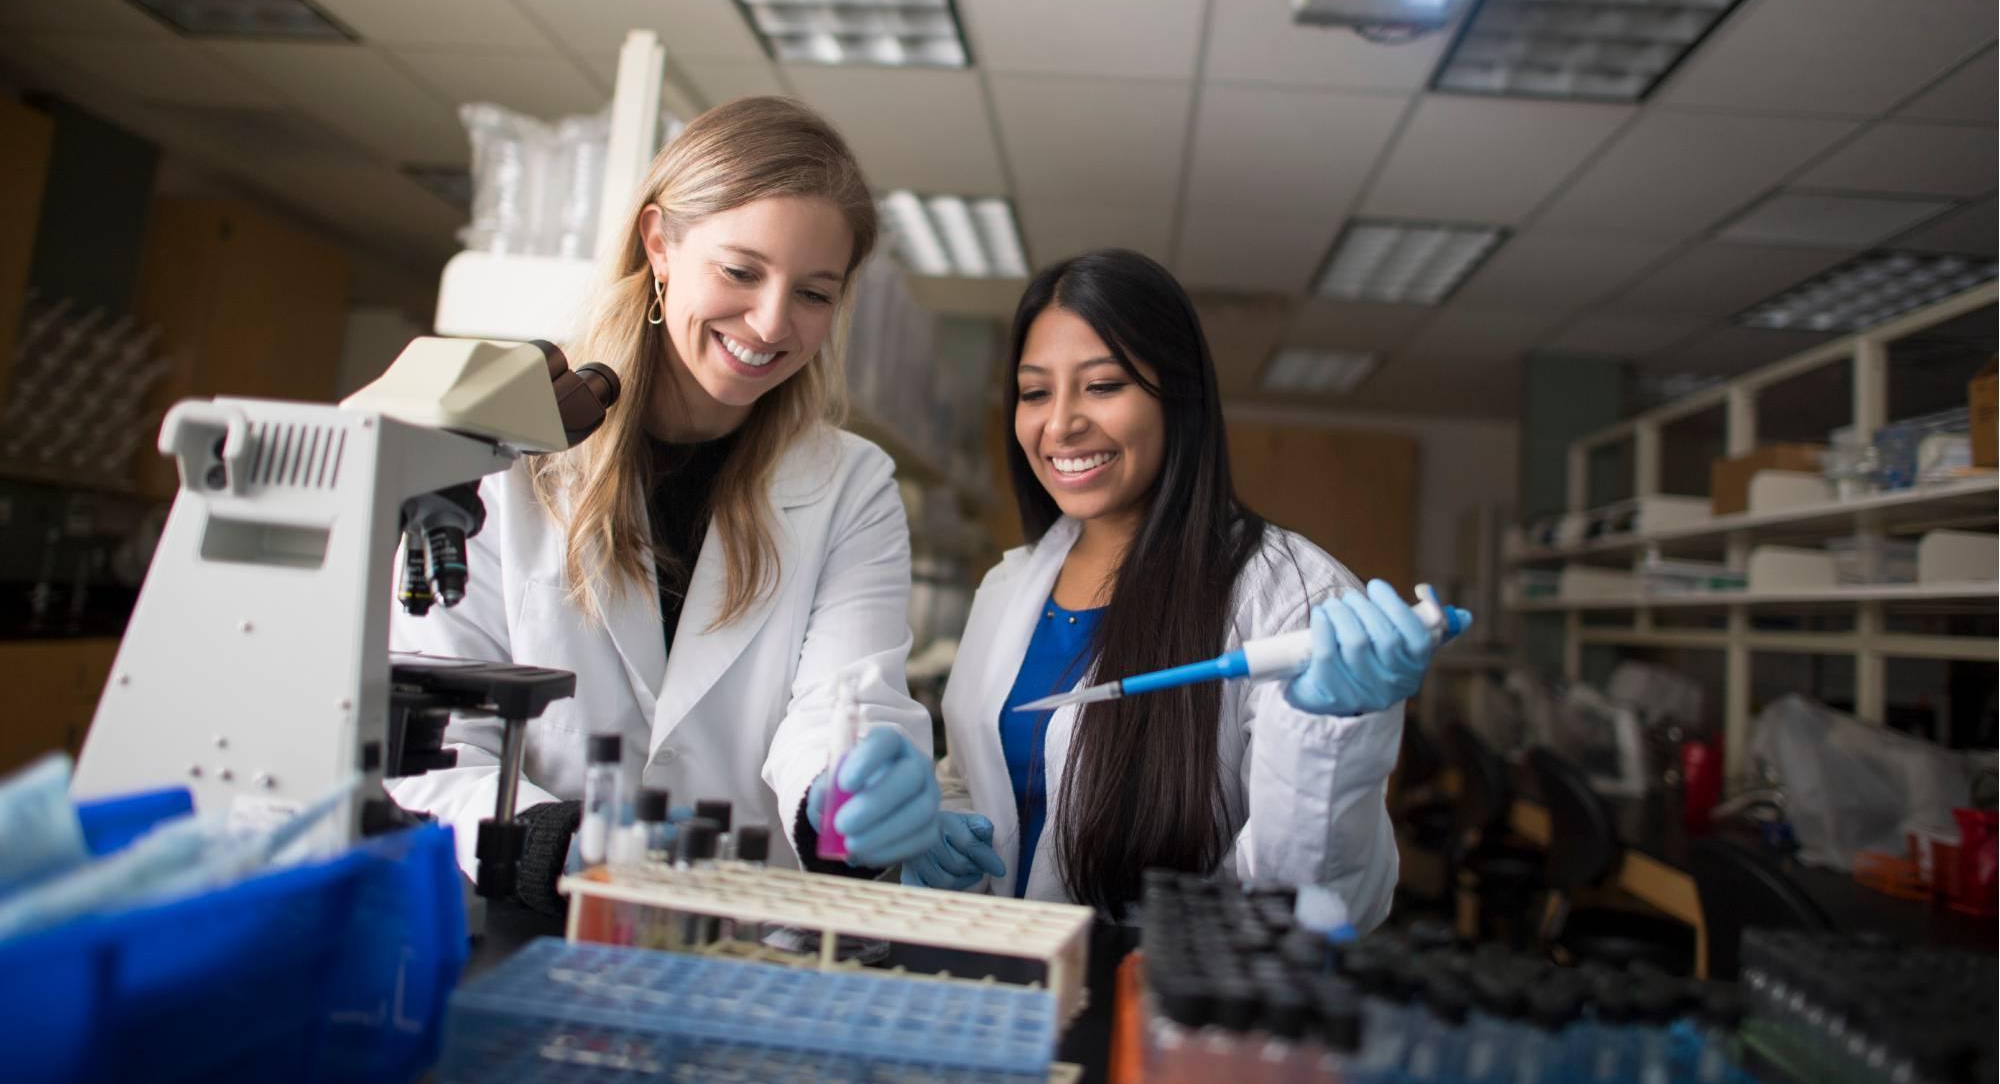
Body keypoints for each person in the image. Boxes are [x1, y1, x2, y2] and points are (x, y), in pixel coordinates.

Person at [389, 97, 943, 909]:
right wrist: (555, 843)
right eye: (741, 271)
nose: (770, 321)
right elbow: (433, 743)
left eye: (814, 293)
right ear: (660, 242)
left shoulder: (850, 485)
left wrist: (841, 797)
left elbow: (842, 704)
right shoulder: (499, 446)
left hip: (744, 943)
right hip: (524, 930)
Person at [909, 249, 1467, 923]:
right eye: (1034, 391)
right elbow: (977, 770)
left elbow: (1330, 904)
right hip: (992, 977)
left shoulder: (1292, 598)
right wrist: (942, 821)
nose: (1059, 424)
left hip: (1158, 1006)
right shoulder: (1009, 583)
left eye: (1103, 384)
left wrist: (1329, 730)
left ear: (1179, 396)